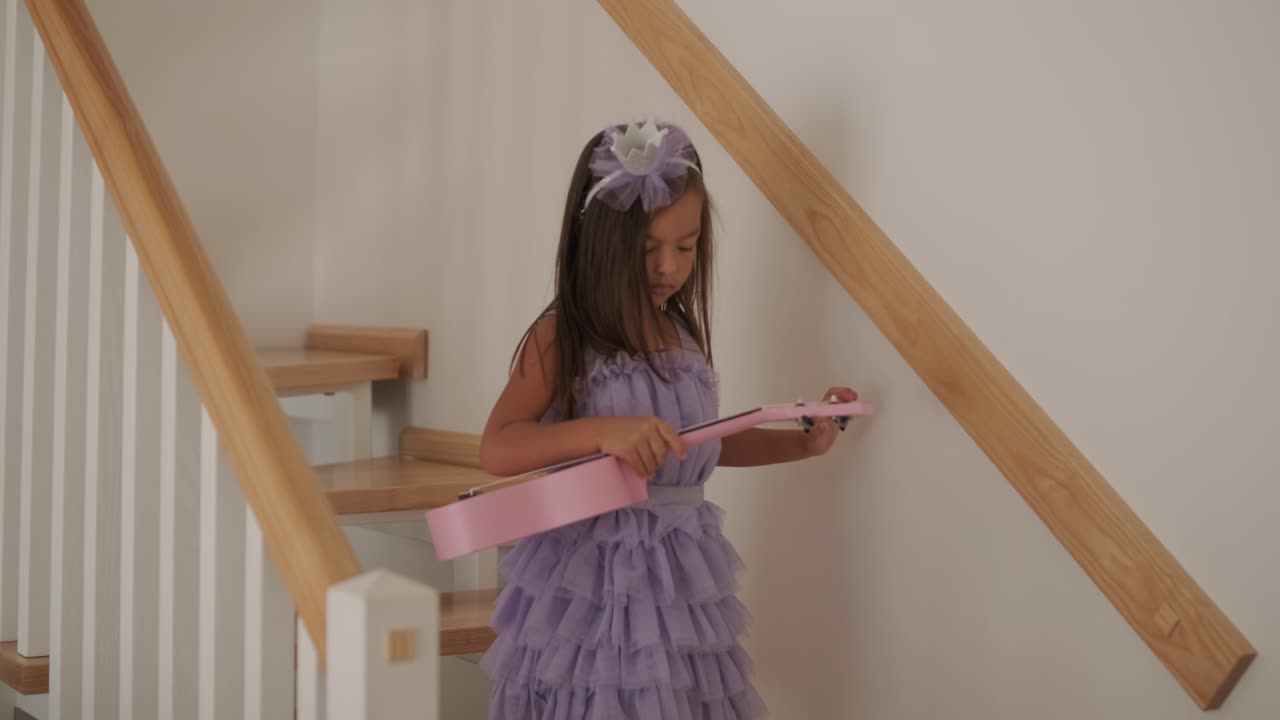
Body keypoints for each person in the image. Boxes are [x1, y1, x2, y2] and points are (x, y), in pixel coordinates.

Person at [479, 118, 857, 719]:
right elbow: (497, 448)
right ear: (602, 242)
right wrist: (603, 432)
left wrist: (803, 443)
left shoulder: (680, 334)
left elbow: (697, 446)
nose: (669, 268)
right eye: (648, 249)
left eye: (686, 247)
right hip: (596, 575)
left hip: (679, 570)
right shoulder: (564, 337)